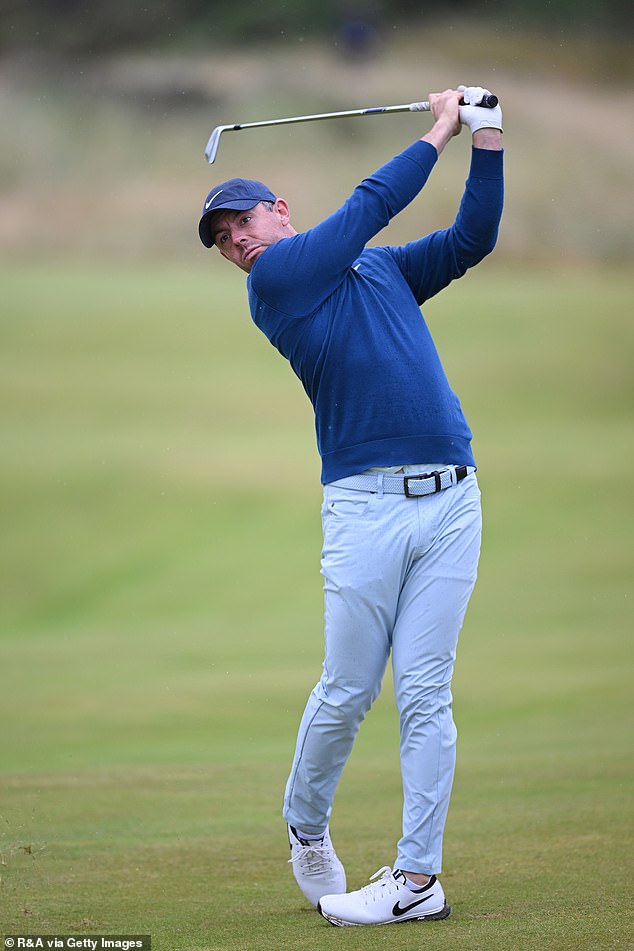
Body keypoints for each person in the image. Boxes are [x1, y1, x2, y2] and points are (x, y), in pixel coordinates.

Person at [198, 85, 503, 927]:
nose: (237, 245)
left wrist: (488, 138)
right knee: (349, 688)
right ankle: (305, 821)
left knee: (428, 693)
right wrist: (440, 126)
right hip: (365, 509)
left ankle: (416, 880)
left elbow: (473, 238)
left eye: (243, 224)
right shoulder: (281, 285)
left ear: (278, 211)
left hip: (451, 498)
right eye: (225, 242)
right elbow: (370, 205)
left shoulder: (381, 270)